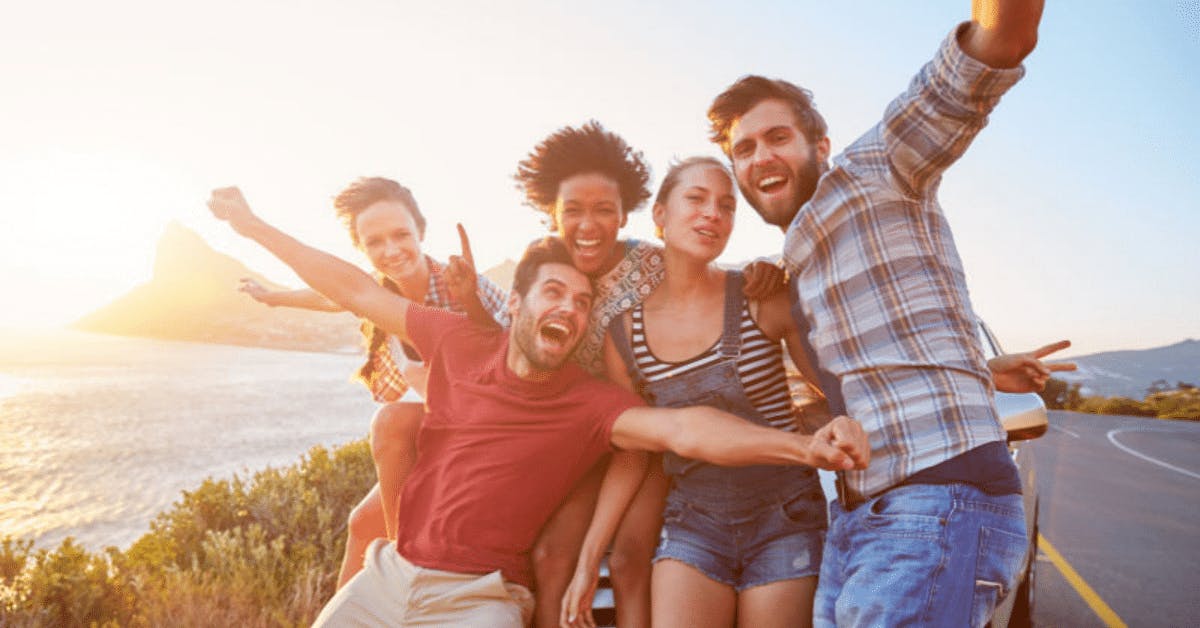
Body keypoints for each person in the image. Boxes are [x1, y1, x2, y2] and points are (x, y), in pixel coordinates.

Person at [206, 189, 870, 626]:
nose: (570, 310)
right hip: (389, 577)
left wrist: (804, 448)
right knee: (393, 427)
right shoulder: (456, 340)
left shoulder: (587, 403)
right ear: (516, 303)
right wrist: (252, 224)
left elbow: (686, 429)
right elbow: (352, 288)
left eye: (582, 304)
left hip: (479, 602)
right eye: (554, 293)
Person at [705, 1, 1072, 625]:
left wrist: (1001, 24)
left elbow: (992, 48)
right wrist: (982, 369)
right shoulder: (789, 268)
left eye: (777, 137)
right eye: (743, 149)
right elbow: (866, 381)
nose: (760, 156)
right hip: (855, 521)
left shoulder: (878, 168)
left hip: (939, 501)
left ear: (820, 144)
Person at [514, 121, 785, 627]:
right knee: (551, 556)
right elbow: (509, 332)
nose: (589, 225)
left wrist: (762, 271)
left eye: (604, 210)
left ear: (626, 213)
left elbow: (709, 279)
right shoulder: (546, 269)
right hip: (590, 440)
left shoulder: (653, 263)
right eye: (573, 210)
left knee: (627, 557)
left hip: (655, 435)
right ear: (551, 212)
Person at [560, 157, 831, 628]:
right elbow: (633, 452)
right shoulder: (624, 335)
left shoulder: (761, 295)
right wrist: (586, 563)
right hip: (693, 521)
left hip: (784, 514)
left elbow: (838, 386)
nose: (713, 214)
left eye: (726, 206)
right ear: (660, 215)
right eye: (696, 199)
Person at [238, 177, 510, 588]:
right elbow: (331, 296)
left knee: (393, 422)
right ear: (362, 249)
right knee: (363, 523)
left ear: (420, 232)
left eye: (401, 235)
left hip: (496, 431)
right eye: (375, 242)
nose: (391, 250)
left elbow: (518, 359)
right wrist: (273, 297)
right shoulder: (377, 290)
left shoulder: (463, 286)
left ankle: (405, 572)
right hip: (446, 426)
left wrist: (471, 303)